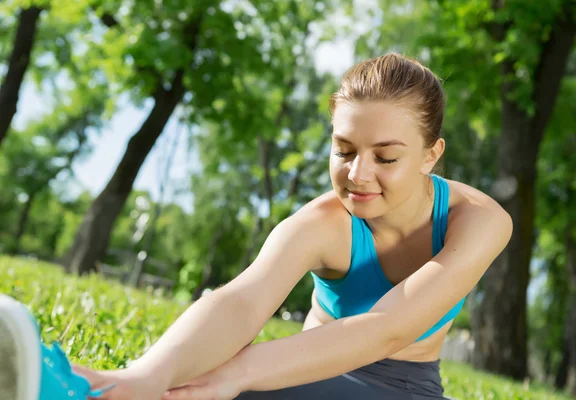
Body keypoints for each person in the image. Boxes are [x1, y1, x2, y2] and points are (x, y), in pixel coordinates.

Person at [0, 53, 512, 400]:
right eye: (344, 151)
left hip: (403, 388)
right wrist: (145, 377)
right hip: (310, 371)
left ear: (431, 154)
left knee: (227, 383)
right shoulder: (322, 222)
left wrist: (234, 374)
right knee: (181, 380)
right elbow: (240, 301)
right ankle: (62, 385)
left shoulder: (480, 221)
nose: (358, 175)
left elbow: (386, 328)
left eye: (385, 157)